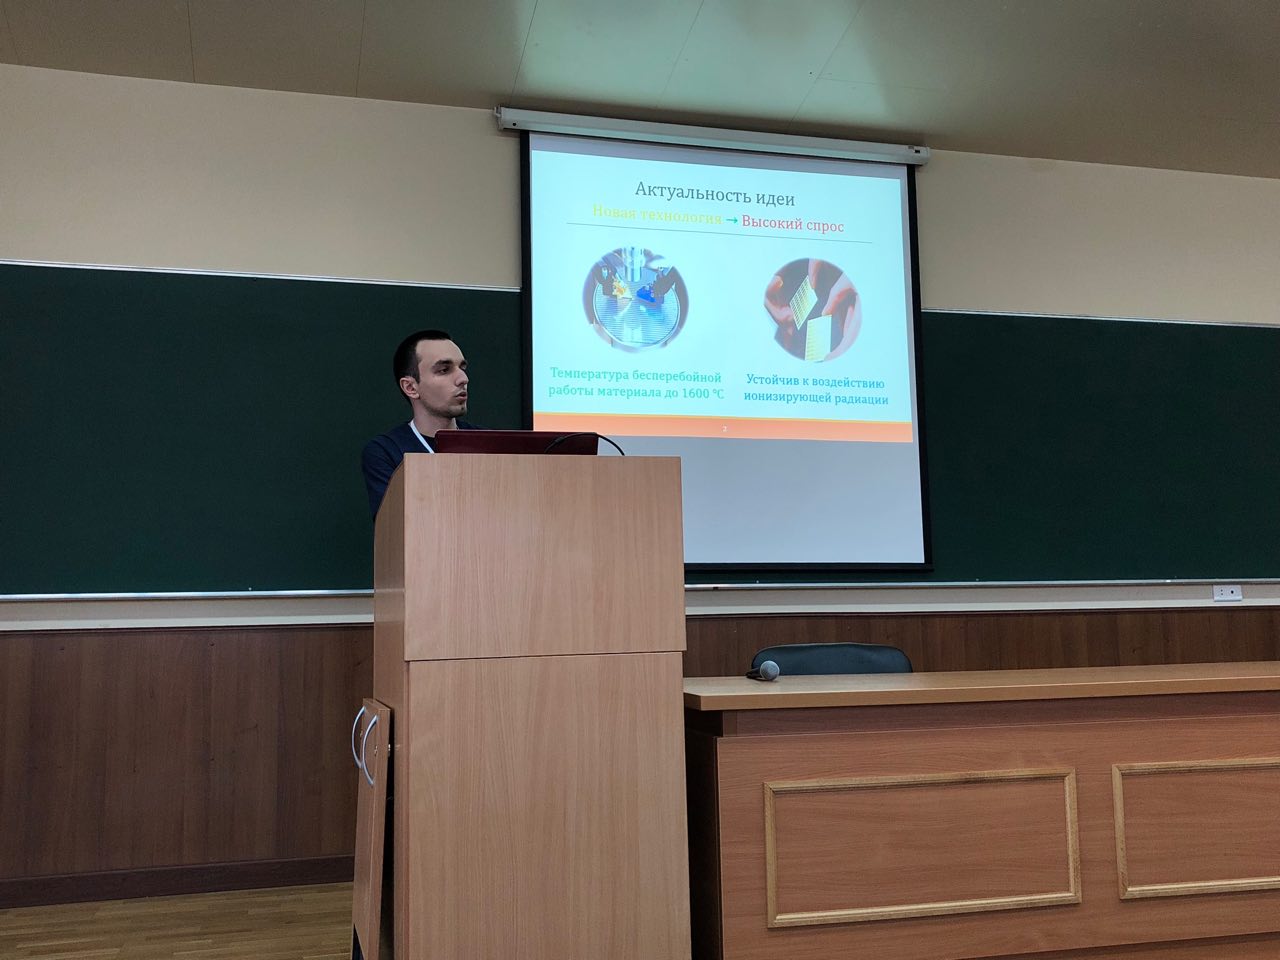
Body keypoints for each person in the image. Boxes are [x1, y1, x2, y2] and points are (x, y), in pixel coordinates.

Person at [362, 329, 478, 516]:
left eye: (462, 368)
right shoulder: (386, 451)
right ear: (410, 387)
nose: (463, 379)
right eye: (444, 370)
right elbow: (396, 524)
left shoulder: (490, 445)